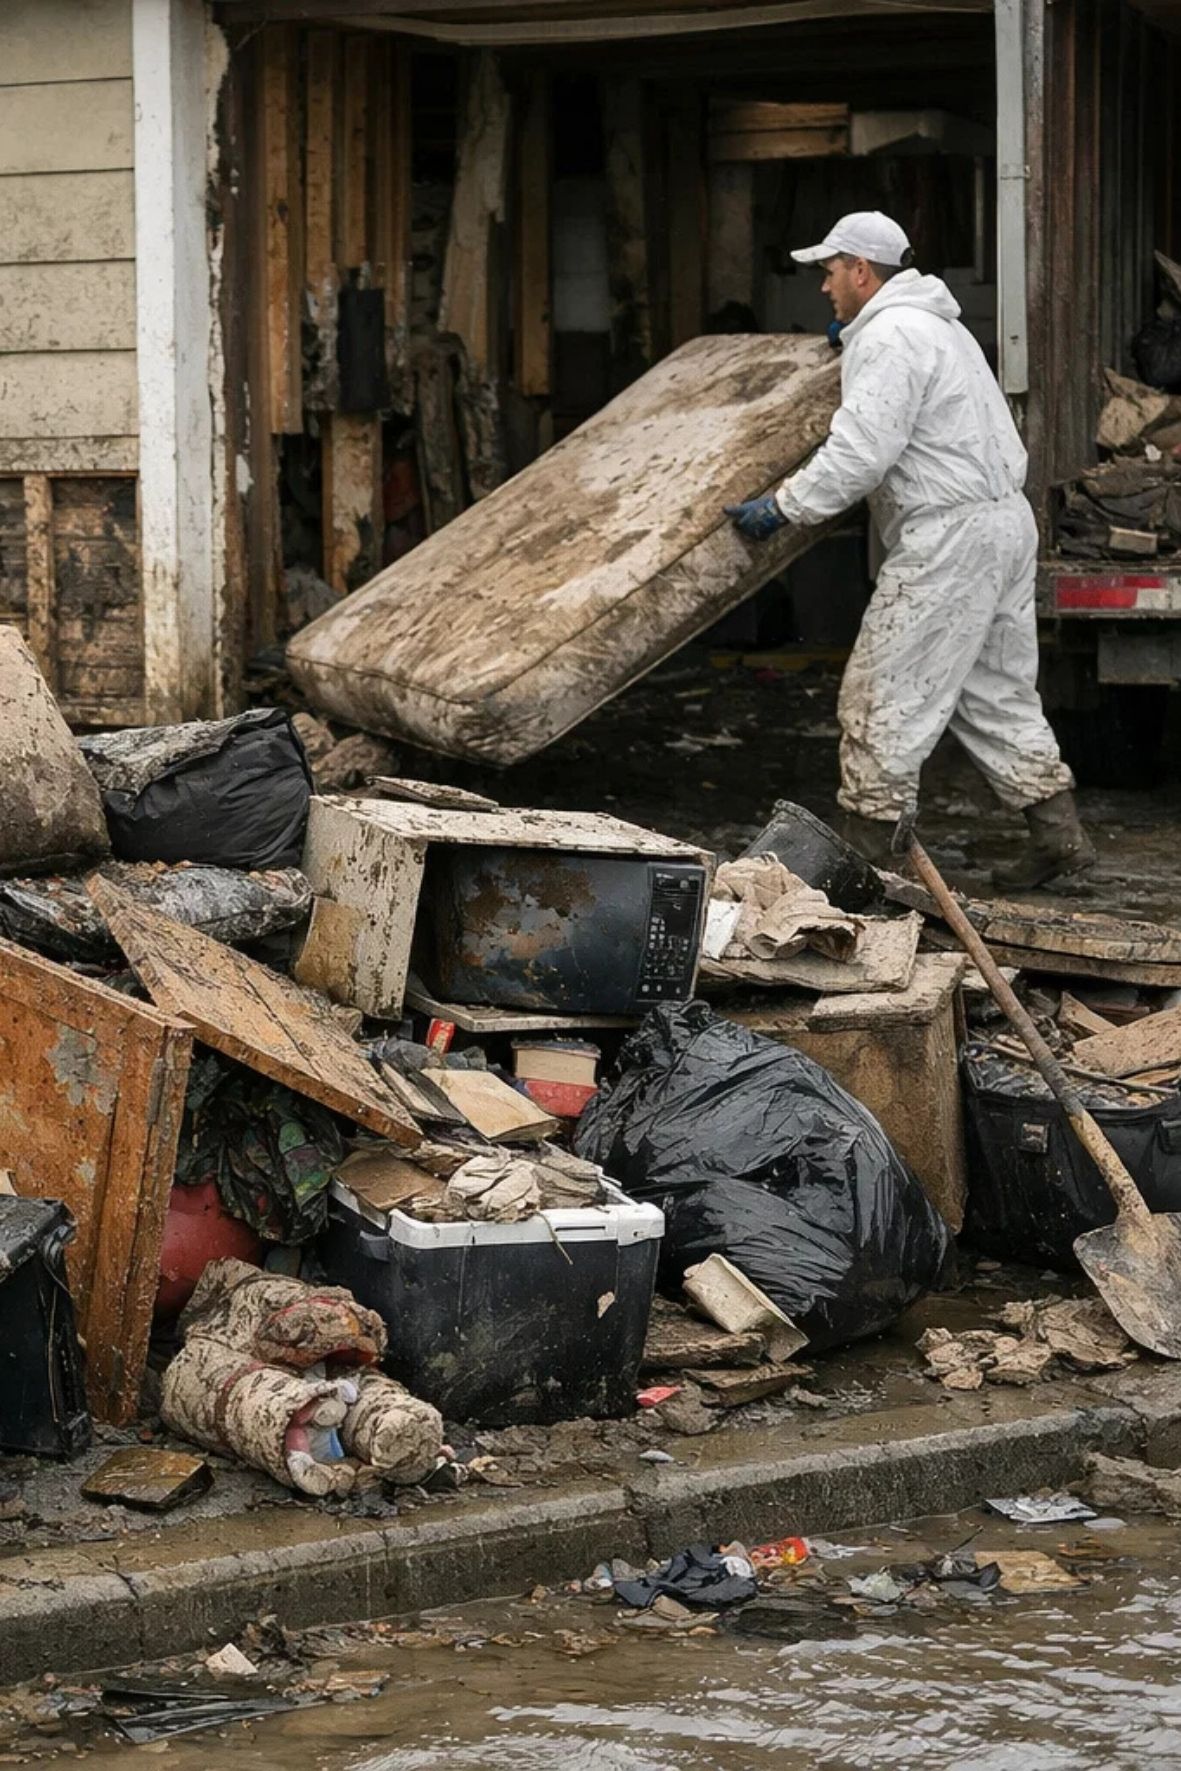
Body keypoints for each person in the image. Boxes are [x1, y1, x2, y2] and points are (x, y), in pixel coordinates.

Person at [726, 210, 1094, 889]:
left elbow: (861, 453)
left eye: (830, 272)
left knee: (881, 691)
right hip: (999, 524)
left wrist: (782, 506)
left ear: (861, 271)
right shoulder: (933, 327)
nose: (823, 287)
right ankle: (1058, 836)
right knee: (996, 692)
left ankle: (865, 858)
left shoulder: (891, 336)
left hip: (948, 537)